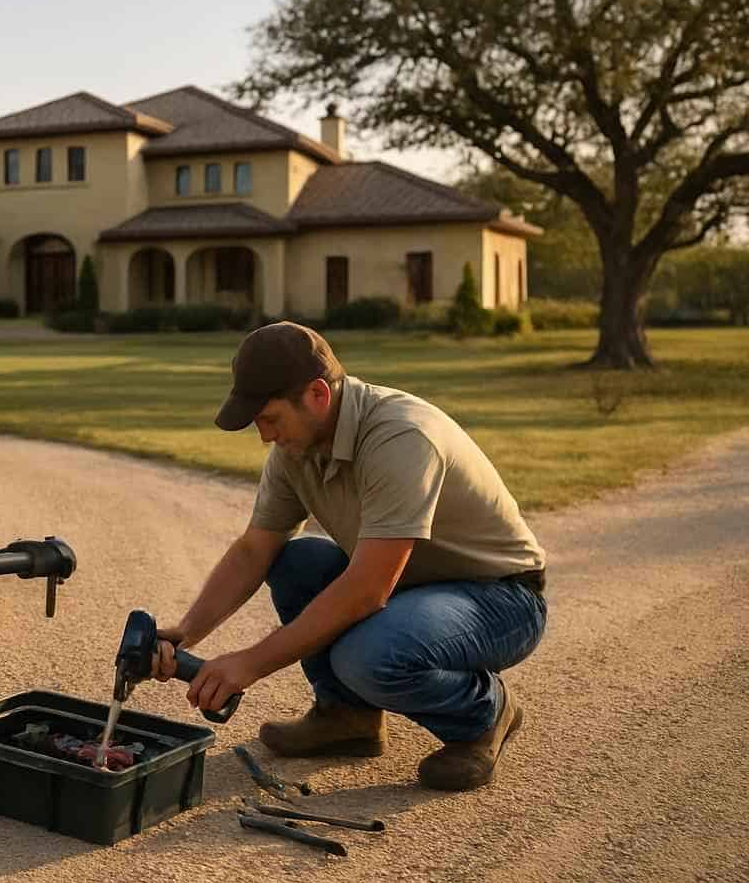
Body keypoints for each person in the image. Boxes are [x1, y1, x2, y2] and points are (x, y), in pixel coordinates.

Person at [151, 321, 547, 790]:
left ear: (317, 395)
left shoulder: (401, 437)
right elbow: (255, 549)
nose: (264, 436)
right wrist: (186, 633)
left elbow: (367, 590)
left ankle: (484, 714)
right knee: (296, 562)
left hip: (500, 599)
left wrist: (249, 663)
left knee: (368, 657)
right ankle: (348, 716)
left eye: (270, 418)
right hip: (414, 590)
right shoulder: (296, 449)